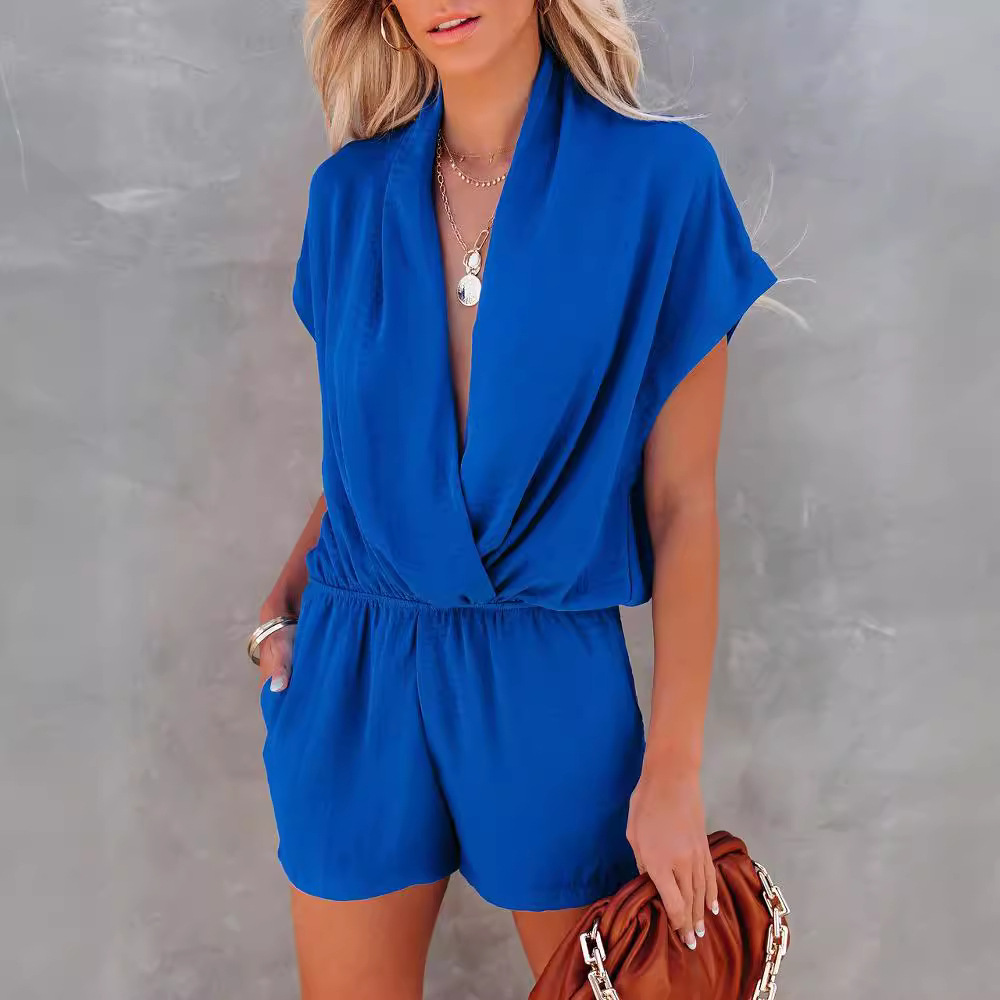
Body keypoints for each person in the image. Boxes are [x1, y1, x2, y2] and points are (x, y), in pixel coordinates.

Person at [248, 1, 778, 996]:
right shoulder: (348, 197)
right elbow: (363, 466)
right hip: (356, 669)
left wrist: (672, 769)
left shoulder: (660, 184)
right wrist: (283, 606)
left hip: (545, 666)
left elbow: (682, 505)